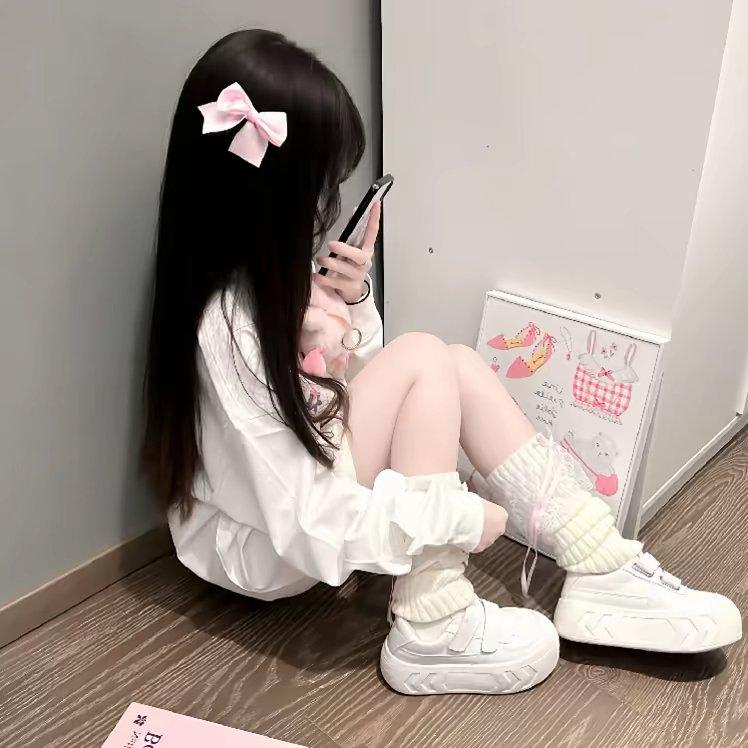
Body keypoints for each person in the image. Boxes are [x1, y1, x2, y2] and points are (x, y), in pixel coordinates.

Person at [142, 29, 741, 696]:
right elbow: (306, 519)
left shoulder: (271, 285)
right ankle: (430, 624)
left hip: (301, 500)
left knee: (447, 360)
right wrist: (456, 518)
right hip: (270, 548)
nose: (325, 209)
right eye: (317, 190)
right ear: (273, 197)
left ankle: (598, 561)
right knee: (427, 358)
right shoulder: (228, 326)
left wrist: (351, 302)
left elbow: (348, 391)